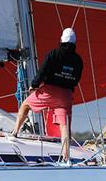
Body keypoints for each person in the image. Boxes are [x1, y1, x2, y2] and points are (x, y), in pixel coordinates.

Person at [11, 28, 83, 161]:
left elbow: (42, 71)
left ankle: (14, 132)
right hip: (66, 95)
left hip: (49, 91)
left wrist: (34, 85)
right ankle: (66, 157)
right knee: (64, 125)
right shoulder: (78, 60)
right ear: (74, 43)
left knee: (25, 105)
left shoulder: (54, 54)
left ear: (62, 40)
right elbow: (77, 78)